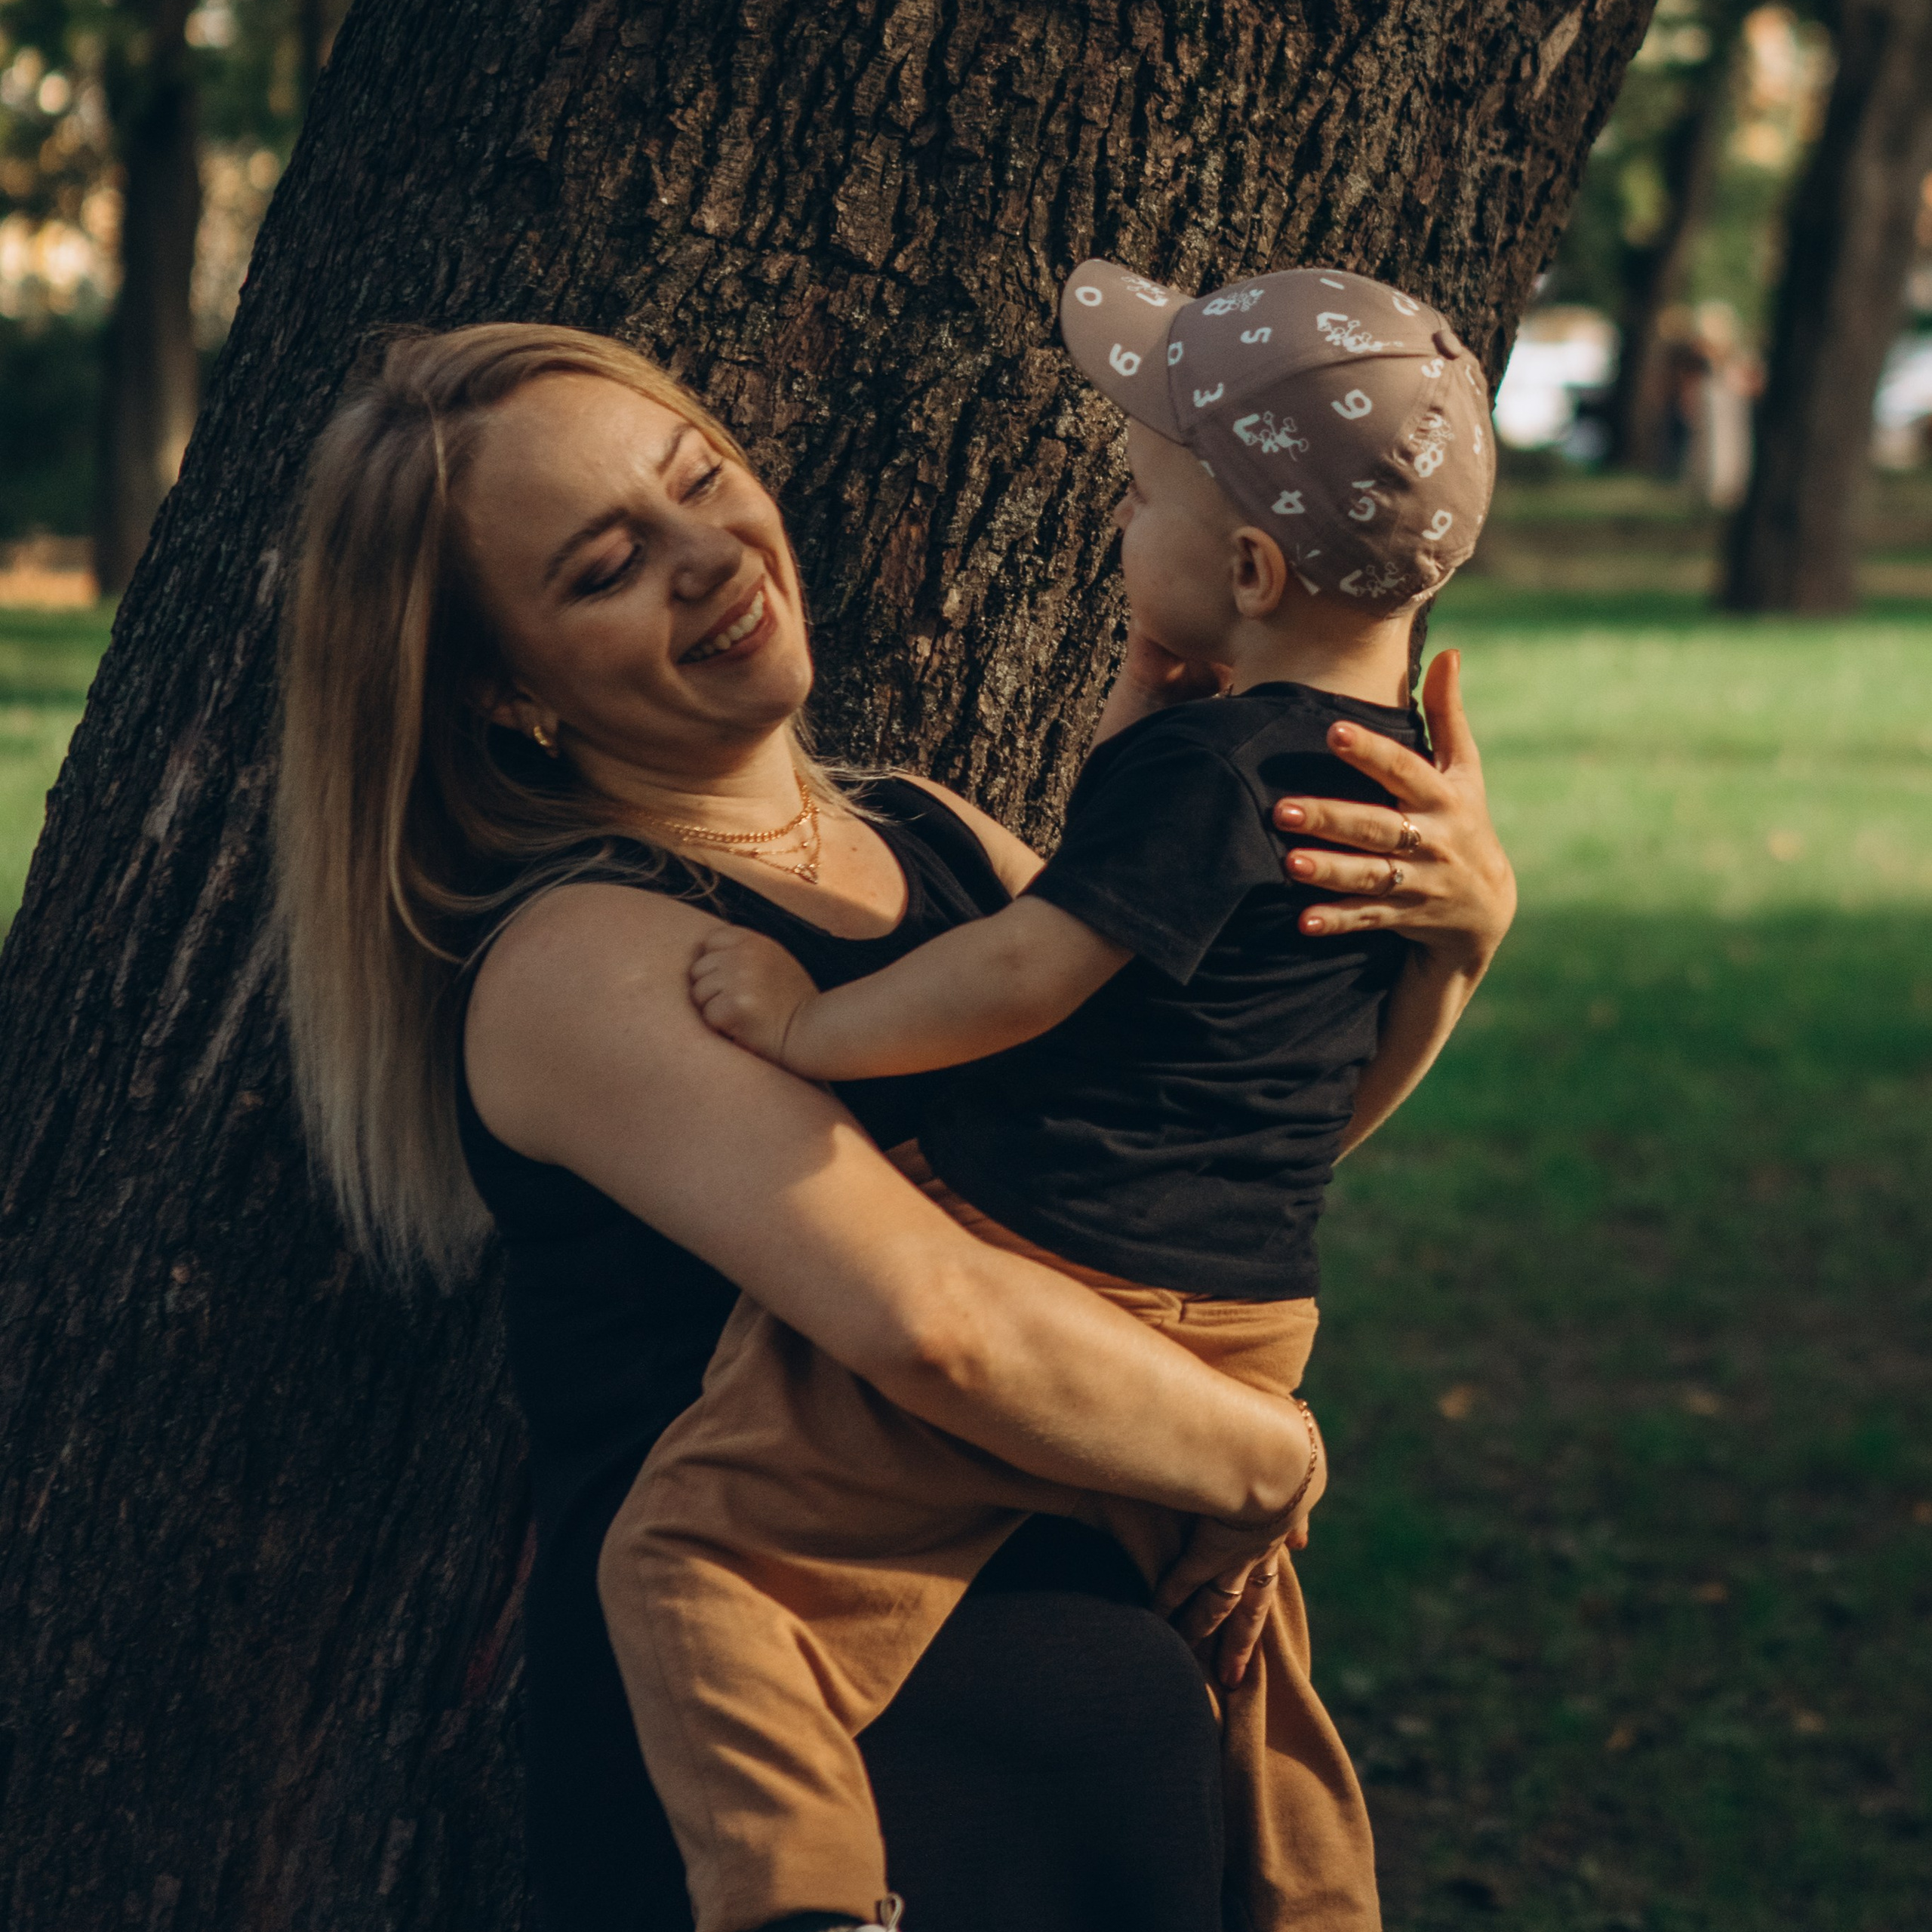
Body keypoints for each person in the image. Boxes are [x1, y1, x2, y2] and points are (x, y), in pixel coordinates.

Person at [269, 318, 1515, 1932]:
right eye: (603, 567)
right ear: (508, 694)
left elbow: (1189, 1170)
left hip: (1099, 1795)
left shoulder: (930, 836)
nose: (707, 557)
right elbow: (933, 1326)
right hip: (852, 1811)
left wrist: (1451, 949)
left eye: (698, 478)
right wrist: (1259, 1455)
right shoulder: (581, 955)